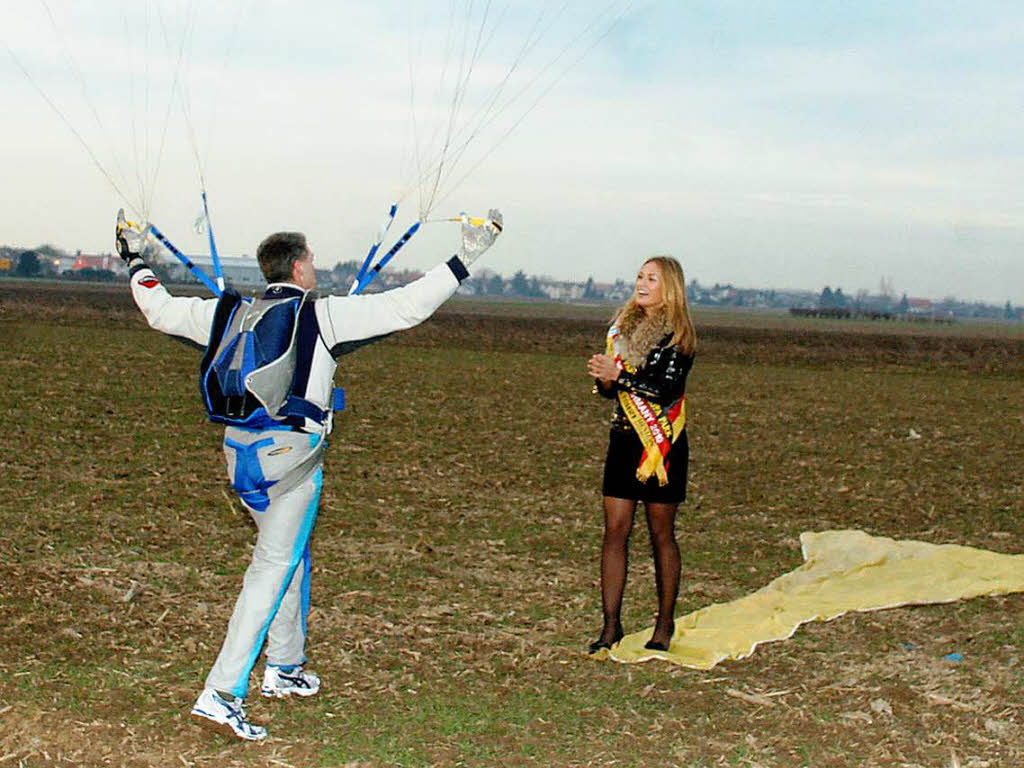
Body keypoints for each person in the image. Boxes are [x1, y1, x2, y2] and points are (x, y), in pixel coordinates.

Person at [115, 208, 502, 740]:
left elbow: (157, 307)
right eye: (312, 259)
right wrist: (467, 256)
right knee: (272, 567)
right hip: (291, 462)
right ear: (298, 268)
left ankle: (285, 667)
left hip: (239, 455)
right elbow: (409, 306)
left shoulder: (229, 312)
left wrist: (132, 255)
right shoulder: (326, 317)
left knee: (289, 553)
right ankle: (222, 691)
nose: (314, 266)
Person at [586, 256, 696, 655]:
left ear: (670, 288)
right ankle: (610, 626)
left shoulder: (678, 335)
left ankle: (664, 625)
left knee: (660, 535)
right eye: (640, 276)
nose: (642, 283)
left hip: (660, 445)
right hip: (623, 439)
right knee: (614, 531)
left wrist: (620, 377)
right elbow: (616, 392)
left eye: (652, 278)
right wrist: (604, 379)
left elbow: (663, 390)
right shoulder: (622, 330)